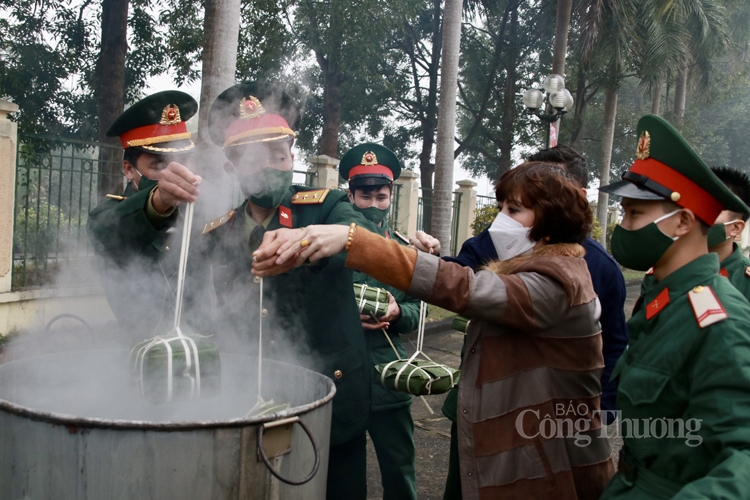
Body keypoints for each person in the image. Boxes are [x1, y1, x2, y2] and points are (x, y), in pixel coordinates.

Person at [256, 161, 616, 499]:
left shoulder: (556, 283)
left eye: (514, 210)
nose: (501, 220)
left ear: (549, 222)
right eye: (503, 207)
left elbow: (464, 287)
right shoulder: (534, 269)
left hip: (548, 464)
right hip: (521, 450)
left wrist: (355, 241)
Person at [201, 81, 379, 500]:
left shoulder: (327, 205)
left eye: (277, 156)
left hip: (330, 394)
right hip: (249, 398)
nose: (268, 167)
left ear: (293, 157)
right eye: (252, 159)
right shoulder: (217, 232)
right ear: (230, 168)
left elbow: (371, 237)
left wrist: (318, 239)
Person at [595, 114, 750, 498]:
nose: (623, 226)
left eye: (635, 214)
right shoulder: (665, 299)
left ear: (682, 221)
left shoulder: (717, 318)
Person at [339, 143, 421, 499]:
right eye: (365, 196)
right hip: (343, 376)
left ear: (392, 197)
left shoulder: (405, 251)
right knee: (342, 473)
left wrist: (398, 312)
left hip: (391, 377)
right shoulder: (331, 246)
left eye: (381, 197)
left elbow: (419, 309)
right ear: (350, 195)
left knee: (400, 469)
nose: (373, 205)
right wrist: (347, 318)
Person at [87, 91, 202, 337]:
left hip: (201, 353)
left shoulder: (200, 214)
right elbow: (111, 232)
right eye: (158, 165)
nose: (173, 172)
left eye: (182, 161)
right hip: (142, 352)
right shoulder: (105, 215)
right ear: (129, 169)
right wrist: (159, 200)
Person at [707, 167, 750, 300]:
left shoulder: (746, 282)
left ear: (736, 228)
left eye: (713, 208)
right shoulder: (666, 272)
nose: (699, 215)